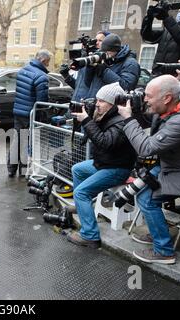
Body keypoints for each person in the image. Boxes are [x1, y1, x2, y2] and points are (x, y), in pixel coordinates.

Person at [117, 75, 180, 264]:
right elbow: (157, 117)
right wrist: (140, 110)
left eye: (148, 96)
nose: (145, 99)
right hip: (176, 164)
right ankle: (158, 231)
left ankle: (164, 250)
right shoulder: (178, 99)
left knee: (146, 199)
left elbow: (145, 148)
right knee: (138, 188)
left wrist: (128, 118)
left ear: (167, 98)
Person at [66, 83, 137, 248]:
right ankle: (81, 208)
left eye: (102, 101)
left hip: (117, 168)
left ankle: (90, 235)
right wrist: (86, 118)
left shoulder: (120, 121)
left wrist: (87, 120)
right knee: (77, 169)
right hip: (105, 163)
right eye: (97, 99)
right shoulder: (104, 115)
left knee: (81, 192)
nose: (97, 103)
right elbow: (88, 138)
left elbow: (105, 142)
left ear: (112, 104)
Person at [7, 49, 52, 177]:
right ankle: (25, 168)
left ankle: (11, 169)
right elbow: (41, 101)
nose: (48, 65)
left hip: (18, 111)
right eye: (48, 62)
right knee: (29, 141)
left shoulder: (23, 70)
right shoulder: (41, 76)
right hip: (31, 114)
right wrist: (45, 113)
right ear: (43, 60)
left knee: (17, 139)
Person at [141, 2, 180, 76]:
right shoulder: (169, 29)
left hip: (176, 74)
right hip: (158, 73)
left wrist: (166, 18)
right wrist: (149, 18)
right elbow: (147, 37)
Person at [84, 33, 140, 99]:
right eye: (103, 51)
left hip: (110, 105)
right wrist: (90, 68)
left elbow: (126, 88)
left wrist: (104, 71)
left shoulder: (130, 63)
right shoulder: (106, 59)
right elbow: (88, 84)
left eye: (107, 51)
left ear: (115, 50)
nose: (104, 53)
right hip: (95, 103)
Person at [61, 31, 110, 101]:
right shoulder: (86, 59)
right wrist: (66, 75)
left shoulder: (103, 61)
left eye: (100, 40)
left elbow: (89, 85)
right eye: (96, 40)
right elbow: (79, 86)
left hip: (87, 104)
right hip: (76, 102)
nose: (96, 42)